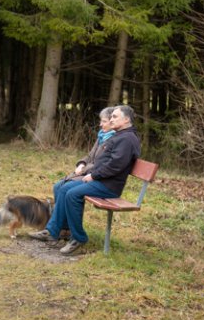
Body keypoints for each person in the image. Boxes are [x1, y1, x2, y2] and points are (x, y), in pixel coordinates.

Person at [29, 105, 141, 255]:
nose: (112, 119)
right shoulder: (120, 135)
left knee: (72, 194)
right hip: (101, 180)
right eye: (111, 116)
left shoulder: (127, 139)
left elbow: (115, 166)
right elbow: (100, 159)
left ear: (126, 119)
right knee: (63, 188)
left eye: (115, 117)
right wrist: (87, 170)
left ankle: (78, 238)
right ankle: (54, 231)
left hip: (108, 185)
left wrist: (94, 175)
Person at [51, 107, 115, 238]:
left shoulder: (113, 140)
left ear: (112, 122)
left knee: (65, 188)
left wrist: (84, 170)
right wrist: (81, 163)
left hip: (97, 178)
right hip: (89, 173)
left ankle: (66, 230)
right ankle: (65, 228)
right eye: (101, 121)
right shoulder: (102, 136)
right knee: (58, 186)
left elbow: (101, 165)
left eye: (104, 121)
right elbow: (90, 156)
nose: (100, 124)